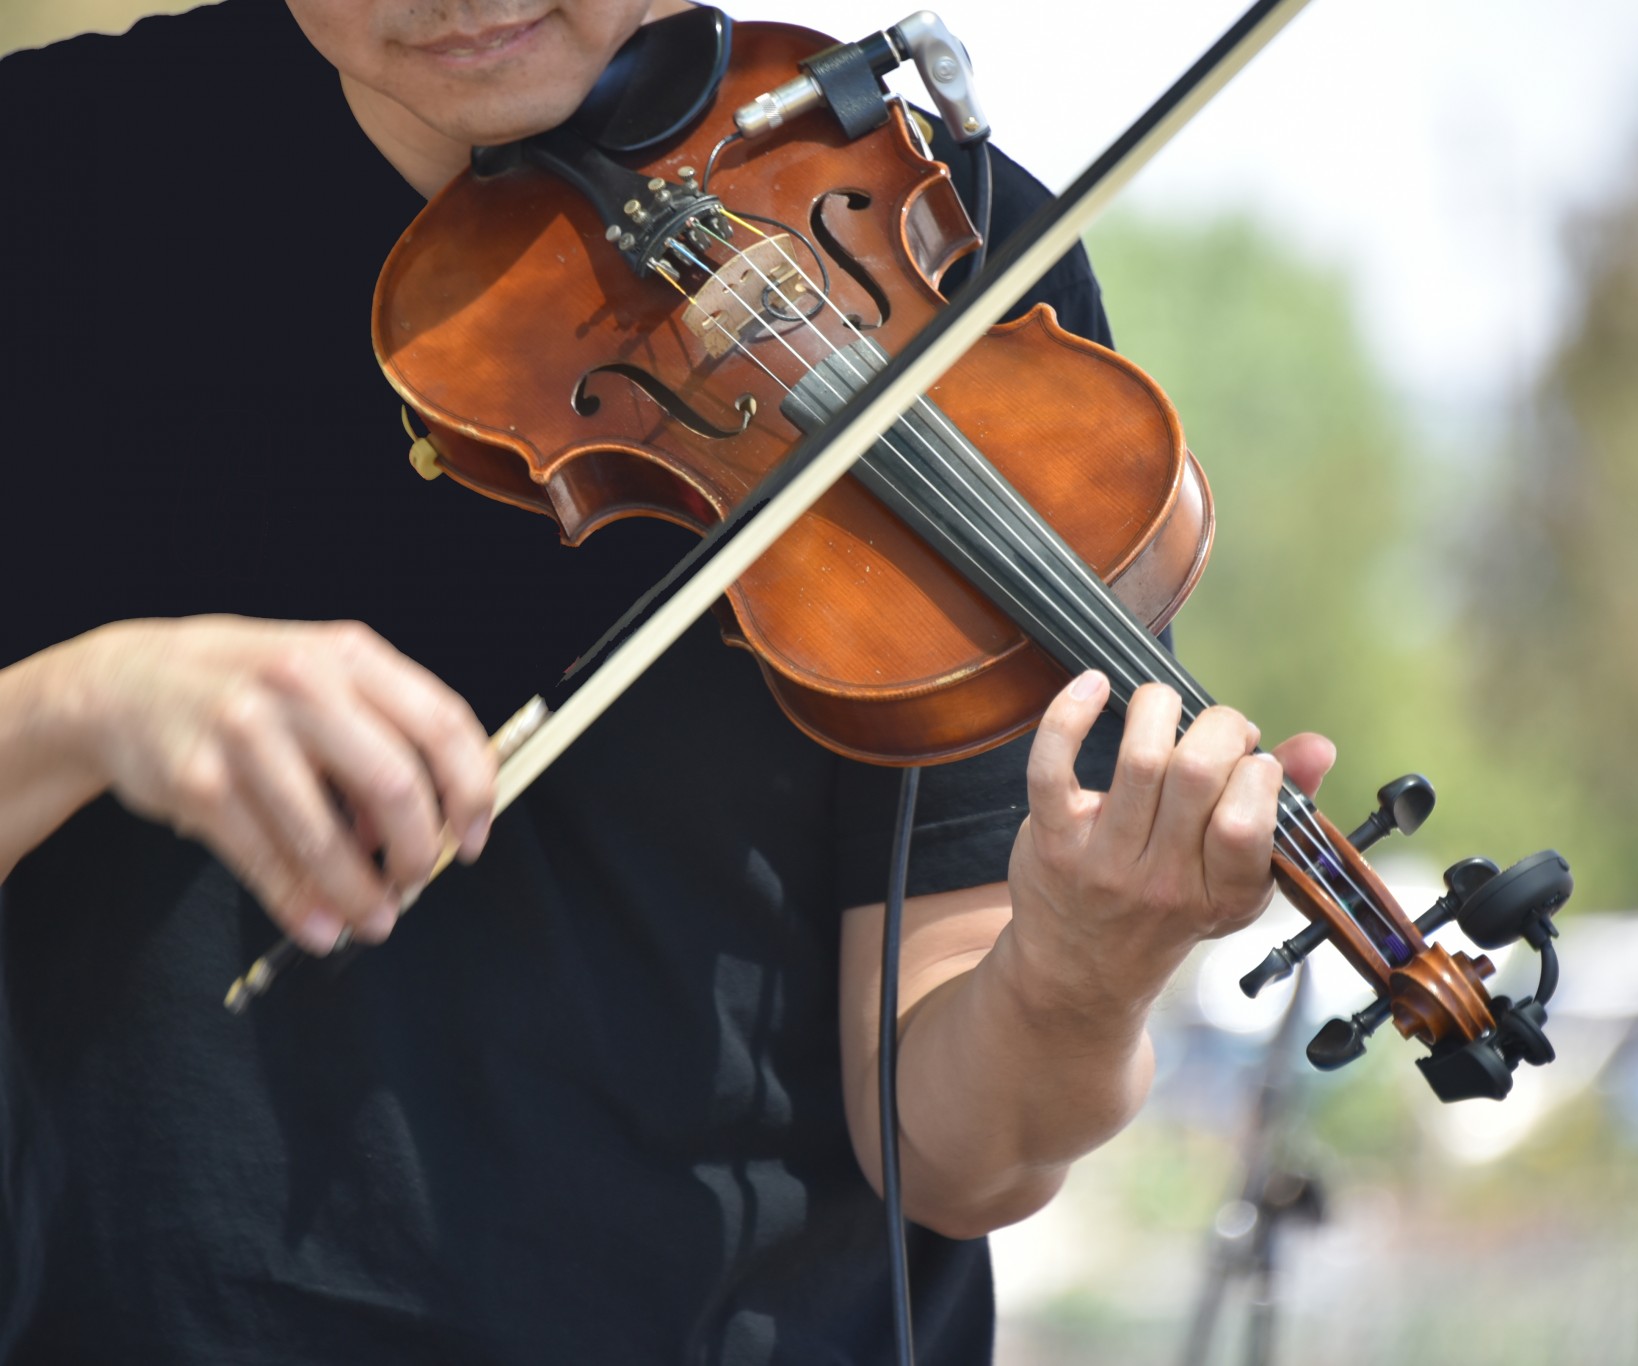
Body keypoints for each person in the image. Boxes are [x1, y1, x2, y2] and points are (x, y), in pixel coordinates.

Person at [0, 1, 1332, 1361]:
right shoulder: (45, 176)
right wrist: (86, 706)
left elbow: (958, 1155)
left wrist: (1079, 972)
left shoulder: (939, 241)